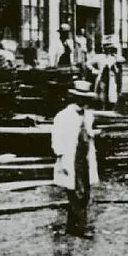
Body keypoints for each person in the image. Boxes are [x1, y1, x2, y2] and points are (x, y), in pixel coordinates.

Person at [52, 80, 100, 240]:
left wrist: (93, 133)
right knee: (75, 193)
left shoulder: (88, 115)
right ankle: (80, 227)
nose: (84, 102)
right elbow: (57, 137)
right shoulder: (63, 116)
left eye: (85, 99)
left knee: (84, 192)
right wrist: (61, 155)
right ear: (74, 98)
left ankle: (72, 226)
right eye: (81, 98)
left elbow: (88, 133)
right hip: (70, 158)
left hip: (84, 157)